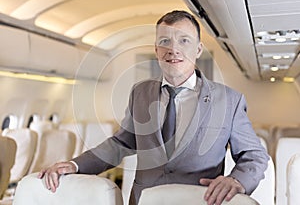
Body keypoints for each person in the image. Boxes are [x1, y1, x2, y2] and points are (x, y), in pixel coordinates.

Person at [38, 10, 269, 205]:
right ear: (157, 50)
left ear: (198, 50)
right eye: (165, 42)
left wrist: (236, 180)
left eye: (183, 41)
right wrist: (76, 164)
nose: (173, 49)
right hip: (144, 200)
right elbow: (121, 143)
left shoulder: (229, 100)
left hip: (198, 201)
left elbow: (254, 154)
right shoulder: (140, 92)